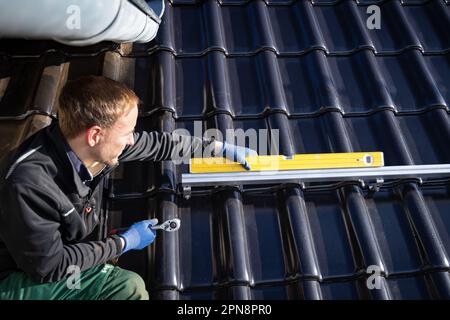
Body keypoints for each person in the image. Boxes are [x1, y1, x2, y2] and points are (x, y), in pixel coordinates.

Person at [0, 75, 257, 300]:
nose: (131, 139)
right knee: (126, 287)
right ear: (95, 134)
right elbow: (51, 267)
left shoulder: (85, 143)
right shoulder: (29, 185)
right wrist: (123, 243)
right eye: (127, 133)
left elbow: (159, 145)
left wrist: (218, 148)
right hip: (17, 277)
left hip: (48, 254)